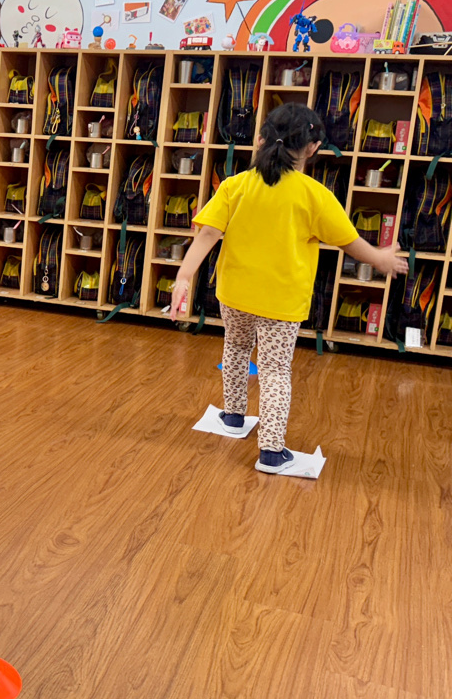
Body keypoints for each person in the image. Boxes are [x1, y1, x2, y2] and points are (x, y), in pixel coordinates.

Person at [170, 103, 408, 473]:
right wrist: (380, 259)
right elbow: (349, 242)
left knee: (235, 349)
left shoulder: (235, 186)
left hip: (235, 294)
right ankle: (271, 451)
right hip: (281, 303)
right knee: (275, 371)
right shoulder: (314, 195)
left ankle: (233, 416)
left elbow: (208, 234)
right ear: (312, 148)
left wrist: (184, 277)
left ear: (260, 139)